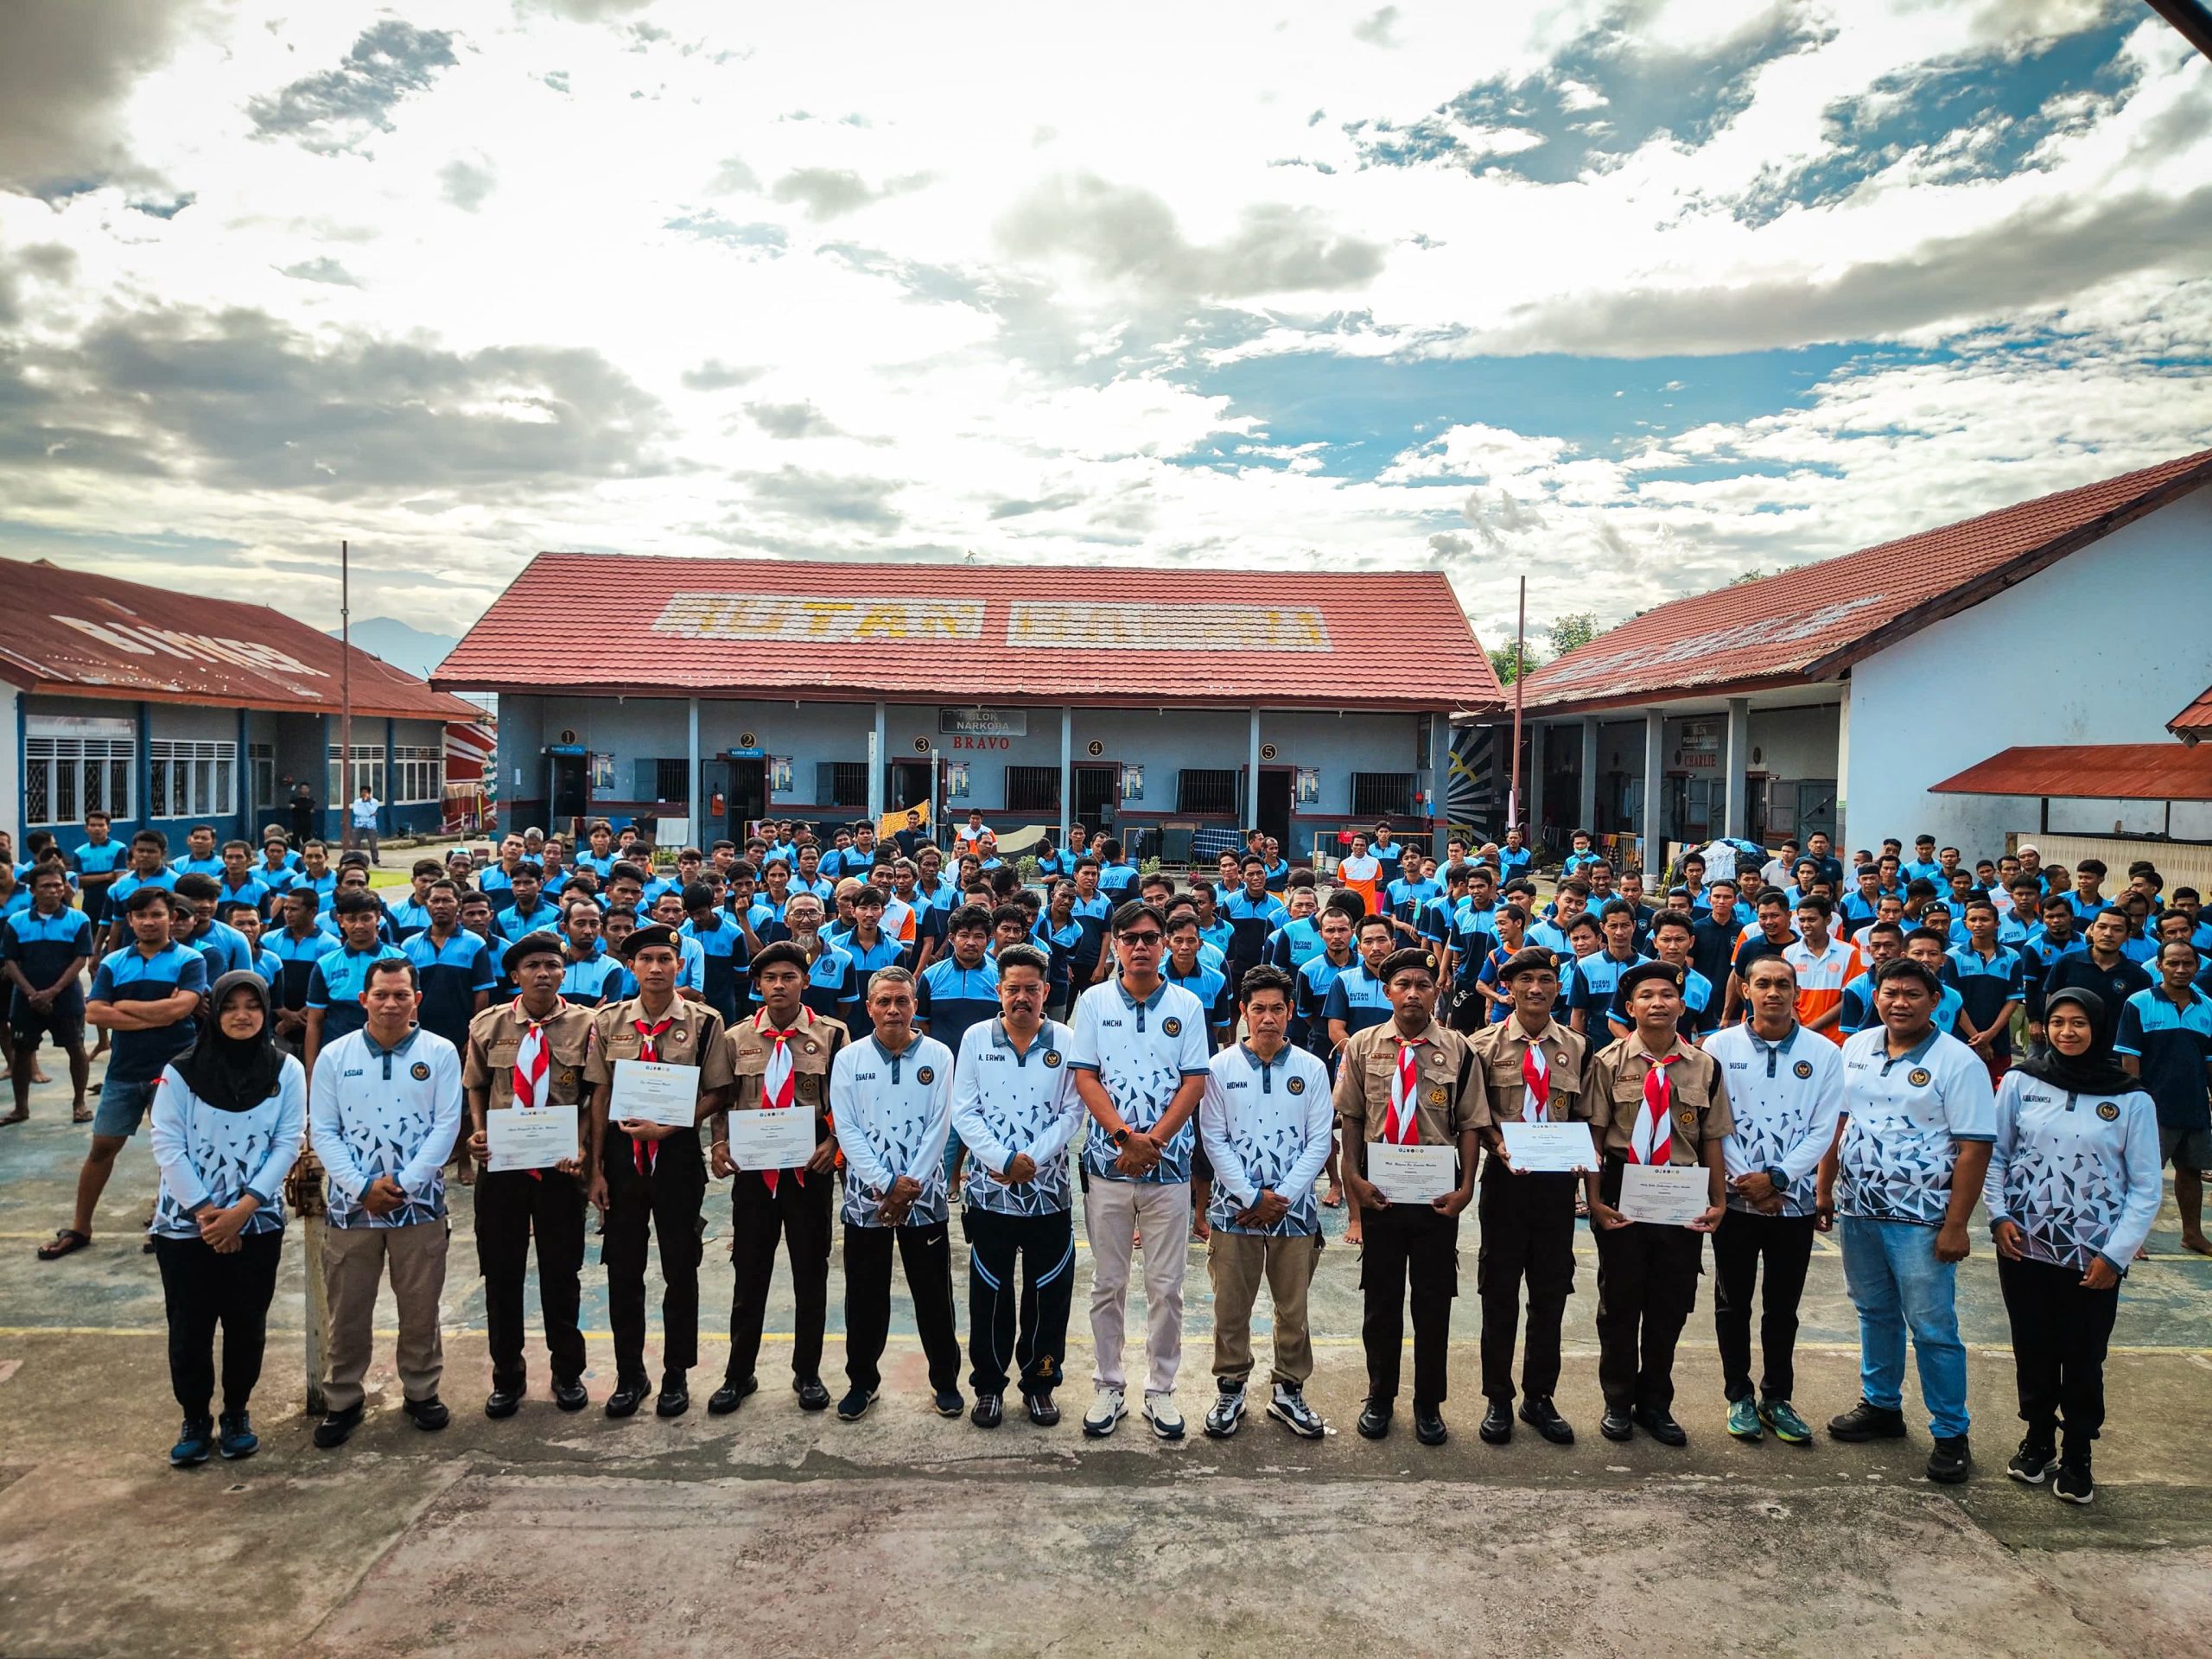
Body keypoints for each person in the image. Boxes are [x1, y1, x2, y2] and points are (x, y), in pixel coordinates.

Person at [1820, 957, 1995, 1484]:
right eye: (1890, 993)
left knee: (1933, 1327)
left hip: (1922, 1218)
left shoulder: (1958, 1061)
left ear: (1935, 1001)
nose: (1899, 1003)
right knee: (1873, 1311)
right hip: (1859, 1208)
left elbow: (1974, 1147)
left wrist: (1957, 1224)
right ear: (1875, 997)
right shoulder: (1855, 1047)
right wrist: (1825, 1188)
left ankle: (1951, 1432)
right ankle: (1881, 1406)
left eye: (1912, 994)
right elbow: (1839, 1122)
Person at [1987, 987, 2160, 1504]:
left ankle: (2078, 1452)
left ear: (2099, 1029)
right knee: (2032, 1346)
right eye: (2058, 1021)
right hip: (2024, 1246)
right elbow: (1996, 1156)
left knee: (2084, 1355)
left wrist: (2115, 1256)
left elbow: (2146, 1188)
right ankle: (2038, 1439)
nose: (2067, 1032)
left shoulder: (2131, 1098)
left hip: (2093, 1257)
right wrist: (1998, 1217)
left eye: (2079, 1023)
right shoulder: (2021, 1081)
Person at [146, 971, 304, 1465]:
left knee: (246, 1323)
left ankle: (236, 1412)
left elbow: (288, 1142)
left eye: (252, 1006)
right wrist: (208, 1214)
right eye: (231, 1006)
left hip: (256, 1222)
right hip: (185, 1226)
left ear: (266, 1010)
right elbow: (167, 1144)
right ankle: (195, 1418)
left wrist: (242, 1211)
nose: (242, 1016)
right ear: (214, 1012)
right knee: (189, 1327)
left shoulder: (286, 1069)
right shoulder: (180, 1071)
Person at [1069, 901, 1211, 1440]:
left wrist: (1155, 1142)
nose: (1141, 947)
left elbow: (1194, 1082)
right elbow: (1086, 1077)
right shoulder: (1093, 1001)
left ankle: (1161, 1389)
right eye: (1130, 938)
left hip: (1169, 1170)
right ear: (1117, 944)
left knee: (1166, 1287)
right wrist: (1124, 1139)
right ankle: (1109, 1383)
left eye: (1151, 937)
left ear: (1164, 942)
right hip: (1108, 1167)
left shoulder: (1187, 1005)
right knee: (1108, 1283)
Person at [308, 956, 462, 1447]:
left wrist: (407, 1183)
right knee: (348, 1309)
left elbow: (447, 1125)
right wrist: (361, 1187)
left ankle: (421, 1391)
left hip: (419, 1205)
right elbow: (323, 1129)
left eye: (401, 995)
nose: (391, 1004)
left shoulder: (440, 1052)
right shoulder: (335, 1055)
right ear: (363, 999)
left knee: (420, 1307)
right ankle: (343, 1398)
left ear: (417, 999)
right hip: (352, 1208)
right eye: (381, 994)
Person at [586, 923, 733, 1421]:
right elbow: (600, 1095)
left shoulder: (706, 1022)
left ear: (679, 965)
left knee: (680, 1267)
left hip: (677, 1157)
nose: (655, 968)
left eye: (665, 959)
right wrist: (596, 1169)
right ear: (631, 967)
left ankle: (676, 1374)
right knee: (623, 1269)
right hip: (622, 1161)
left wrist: (670, 1126)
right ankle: (630, 1374)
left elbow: (719, 1091)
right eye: (646, 959)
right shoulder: (608, 1021)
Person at [1582, 961, 1732, 1446]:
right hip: (1624, 1186)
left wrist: (1718, 1201)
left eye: (1667, 995)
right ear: (1630, 1008)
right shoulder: (1607, 1062)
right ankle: (1617, 1401)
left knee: (1670, 1304)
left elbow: (1712, 1137)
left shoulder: (1704, 1067)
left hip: (1681, 1192)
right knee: (1619, 1304)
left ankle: (1656, 1403)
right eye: (1646, 996)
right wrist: (1594, 1199)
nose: (1658, 1003)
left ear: (1681, 1005)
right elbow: (1596, 1136)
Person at [1337, 947, 1478, 1446]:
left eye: (1423, 984)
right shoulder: (1362, 1045)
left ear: (1436, 991)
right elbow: (1352, 1119)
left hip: (1438, 1195)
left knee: (1433, 1304)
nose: (1413, 993)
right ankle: (1380, 1396)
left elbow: (1470, 1124)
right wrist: (1353, 1180)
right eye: (1403, 985)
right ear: (1387, 992)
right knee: (1381, 1302)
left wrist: (1466, 1187)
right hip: (1381, 1191)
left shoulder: (1458, 1049)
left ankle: (1428, 1403)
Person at [1705, 956, 1844, 1445]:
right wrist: (1749, 1182)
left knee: (1783, 1307)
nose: (1773, 992)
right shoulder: (1719, 1046)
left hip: (1793, 1204)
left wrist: (1779, 1180)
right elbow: (1715, 1123)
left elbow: (1824, 1128)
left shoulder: (1824, 1053)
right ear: (1745, 990)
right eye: (1762, 983)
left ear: (1796, 993)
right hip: (1736, 1201)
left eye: (1783, 984)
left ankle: (1776, 1397)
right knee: (1732, 1304)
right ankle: (1738, 1395)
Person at [708, 940, 848, 1416]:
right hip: (753, 1173)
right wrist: (719, 1144)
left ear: (805, 981)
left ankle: (807, 1372)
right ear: (758, 985)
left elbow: (844, 1101)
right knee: (750, 1273)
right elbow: (723, 1100)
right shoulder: (736, 1038)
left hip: (809, 1170)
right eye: (770, 978)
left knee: (811, 1272)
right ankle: (738, 1373)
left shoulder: (831, 1035)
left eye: (789, 977)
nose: (780, 985)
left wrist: (834, 1144)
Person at [461, 933, 595, 1419]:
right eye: (533, 966)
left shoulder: (587, 1025)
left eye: (552, 965)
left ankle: (568, 1372)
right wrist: (478, 1133)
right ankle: (507, 1376)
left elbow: (594, 1095)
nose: (543, 974)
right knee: (501, 1274)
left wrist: (581, 1143)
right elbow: (477, 1085)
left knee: (562, 1273)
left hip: (560, 1169)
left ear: (563, 972)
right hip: (503, 1167)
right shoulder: (487, 1024)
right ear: (514, 974)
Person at [1197, 964, 1332, 1440]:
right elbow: (1213, 1138)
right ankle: (1231, 1388)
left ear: (1291, 1011)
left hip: (1295, 1214)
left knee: (1292, 1310)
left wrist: (1282, 1198)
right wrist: (1253, 1196)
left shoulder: (1311, 1068)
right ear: (1243, 1012)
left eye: (1277, 1008)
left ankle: (1288, 1390)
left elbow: (1319, 1142)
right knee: (1230, 1308)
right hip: (1233, 1211)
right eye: (1259, 1009)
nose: (1268, 1018)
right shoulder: (1220, 1068)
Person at [951, 943, 1082, 1427]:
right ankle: (988, 1386)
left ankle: (1040, 1383)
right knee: (990, 1294)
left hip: (1049, 1194)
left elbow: (1073, 1112)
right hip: (990, 1194)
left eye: (1031, 989)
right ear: (998, 991)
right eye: (1013, 989)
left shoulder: (1067, 1040)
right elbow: (964, 1111)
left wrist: (1032, 1160)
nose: (1022, 998)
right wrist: (1004, 1160)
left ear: (1046, 991)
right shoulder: (975, 1038)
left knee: (1049, 1295)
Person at [41, 887, 207, 1261]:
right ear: (129, 920)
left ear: (172, 918)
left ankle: (166, 1223)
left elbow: (181, 1009)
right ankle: (80, 1227)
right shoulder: (114, 962)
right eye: (141, 916)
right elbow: (95, 1013)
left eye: (157, 914)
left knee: (173, 1152)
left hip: (174, 1072)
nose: (149, 922)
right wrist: (159, 1014)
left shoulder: (190, 959)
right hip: (124, 1071)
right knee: (102, 1147)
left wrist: (126, 1005)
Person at [830, 966, 963, 1421]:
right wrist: (887, 1184)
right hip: (866, 1197)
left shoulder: (939, 1055)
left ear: (914, 1006)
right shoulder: (849, 1059)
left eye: (901, 1001)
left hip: (924, 1197)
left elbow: (940, 1125)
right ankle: (862, 1381)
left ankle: (945, 1381)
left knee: (933, 1292)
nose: (892, 1010)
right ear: (869, 1008)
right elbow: (846, 1128)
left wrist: (909, 1186)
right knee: (864, 1294)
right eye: (883, 1001)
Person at [1467, 948, 1587, 1446]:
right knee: (1499, 1294)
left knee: (1550, 1294)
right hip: (1506, 1183)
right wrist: (1497, 1144)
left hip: (1557, 1187)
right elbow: (1473, 1116)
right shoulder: (1481, 1046)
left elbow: (1585, 1115)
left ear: (1558, 988)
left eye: (1545, 980)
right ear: (1509, 988)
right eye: (1525, 981)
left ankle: (1539, 1396)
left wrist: (1582, 1156)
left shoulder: (1579, 1047)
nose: (1536, 989)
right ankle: (1498, 1397)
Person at [2115, 939, 2212, 1256]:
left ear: (2197, 967)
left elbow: (2209, 1060)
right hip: (2152, 1106)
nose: (2181, 969)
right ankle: (2131, 1238)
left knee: (2191, 1171)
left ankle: (2192, 1234)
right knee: (2142, 1174)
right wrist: (2136, 1101)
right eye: (2173, 963)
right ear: (2159, 966)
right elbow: (2130, 1059)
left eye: (2188, 963)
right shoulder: (2139, 1003)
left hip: (2194, 1105)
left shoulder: (2208, 1007)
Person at [4, 864, 93, 1123]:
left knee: (76, 1047)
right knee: (22, 1052)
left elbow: (80, 959)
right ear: (33, 891)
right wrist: (31, 993)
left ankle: (79, 1103)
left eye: (58, 885)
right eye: (45, 886)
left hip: (66, 997)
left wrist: (53, 991)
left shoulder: (79, 920)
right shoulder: (17, 922)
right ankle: (21, 1108)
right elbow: (10, 961)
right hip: (25, 999)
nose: (53, 890)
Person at [345, 785, 382, 867]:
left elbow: (372, 810)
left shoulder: (374, 802)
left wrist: (367, 803)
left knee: (373, 845)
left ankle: (375, 861)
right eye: (362, 792)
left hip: (371, 826)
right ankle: (355, 860)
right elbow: (357, 812)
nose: (364, 794)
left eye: (366, 792)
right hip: (359, 825)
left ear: (369, 793)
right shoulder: (357, 802)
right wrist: (369, 814)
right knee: (355, 844)